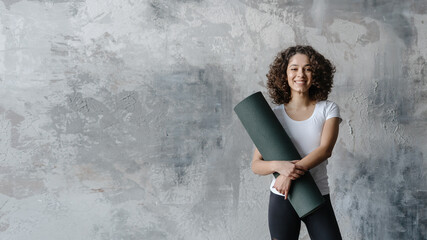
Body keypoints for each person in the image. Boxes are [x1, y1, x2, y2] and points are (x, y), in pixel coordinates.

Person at [251, 45, 343, 240]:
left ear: (316, 74)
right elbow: (256, 165)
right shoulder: (273, 116)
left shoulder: (328, 110)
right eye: (294, 68)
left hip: (317, 193)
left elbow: (325, 150)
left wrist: (289, 175)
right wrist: (281, 168)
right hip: (282, 196)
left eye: (307, 68)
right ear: (284, 74)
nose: (300, 74)